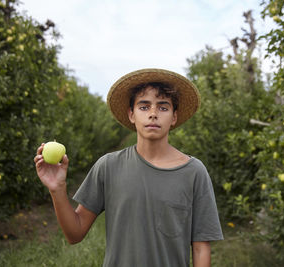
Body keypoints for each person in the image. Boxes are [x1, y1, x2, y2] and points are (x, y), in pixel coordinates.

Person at [34, 68, 223, 267]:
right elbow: (75, 234)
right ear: (131, 114)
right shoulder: (108, 166)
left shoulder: (193, 172)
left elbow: (201, 247)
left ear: (174, 117)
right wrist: (57, 190)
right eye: (144, 106)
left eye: (163, 107)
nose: (153, 114)